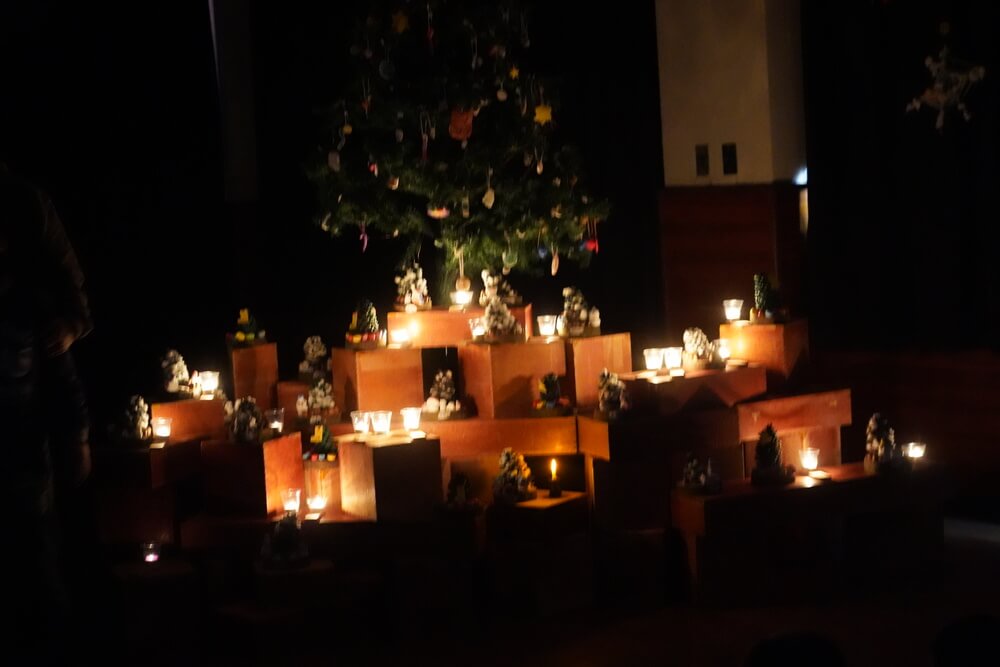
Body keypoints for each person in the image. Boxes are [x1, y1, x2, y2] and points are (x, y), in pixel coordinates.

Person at [0, 162, 91, 656]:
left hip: (23, 450)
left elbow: (63, 372)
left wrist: (77, 438)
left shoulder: (28, 306)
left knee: (38, 568)